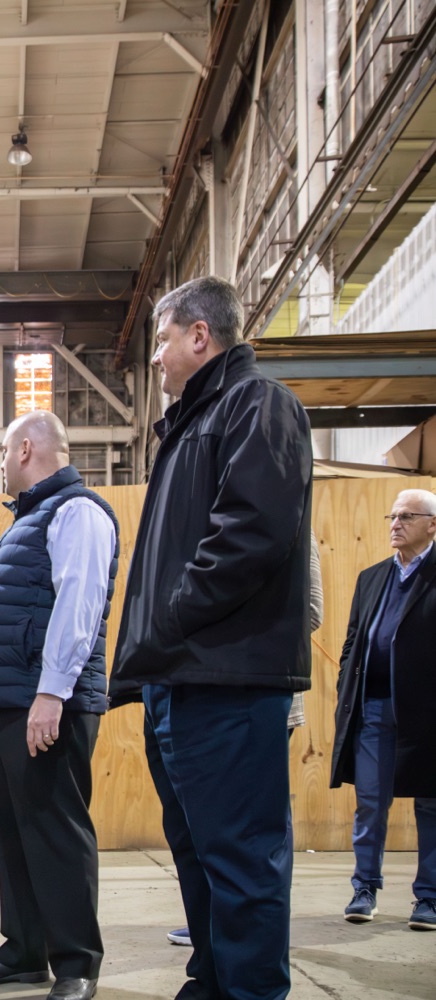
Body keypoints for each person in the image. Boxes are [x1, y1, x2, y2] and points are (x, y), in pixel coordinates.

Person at [110, 275, 313, 1000]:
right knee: (197, 855)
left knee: (242, 860)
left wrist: (168, 621)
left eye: (162, 340)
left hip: (227, 678)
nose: (157, 359)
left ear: (200, 335)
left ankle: (252, 991)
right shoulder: (192, 424)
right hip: (184, 678)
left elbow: (251, 535)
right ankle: (213, 982)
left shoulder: (257, 405)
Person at [0, 411, 116, 1000]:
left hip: (51, 703)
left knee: (55, 830)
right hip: (15, 703)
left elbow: (79, 605)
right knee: (17, 833)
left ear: (26, 448)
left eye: (1, 450)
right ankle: (23, 950)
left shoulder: (78, 511)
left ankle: (76, 964)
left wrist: (50, 693)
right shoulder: (28, 518)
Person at [166, 533, 323, 948]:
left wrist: (231, 635)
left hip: (262, 696)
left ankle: (262, 926)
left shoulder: (289, 528)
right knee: (211, 823)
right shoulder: (209, 534)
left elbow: (310, 611)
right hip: (210, 695)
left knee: (261, 824)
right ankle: (217, 920)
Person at [328, 488, 436, 931]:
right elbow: (354, 639)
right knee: (370, 802)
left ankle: (428, 898)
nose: (396, 523)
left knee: (431, 803)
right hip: (373, 708)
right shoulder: (372, 577)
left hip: (427, 715)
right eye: (392, 515)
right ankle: (364, 887)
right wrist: (343, 686)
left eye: (407, 516)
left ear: (432, 524)